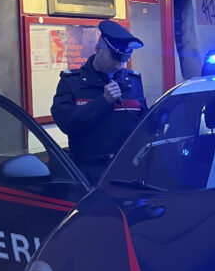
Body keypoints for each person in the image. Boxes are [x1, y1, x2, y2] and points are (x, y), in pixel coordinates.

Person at [51, 20, 147, 183]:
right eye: (114, 58)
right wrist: (103, 101)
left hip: (126, 169)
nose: (118, 65)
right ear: (98, 49)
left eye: (123, 59)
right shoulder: (72, 82)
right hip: (87, 172)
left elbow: (142, 123)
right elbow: (67, 123)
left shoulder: (132, 82)